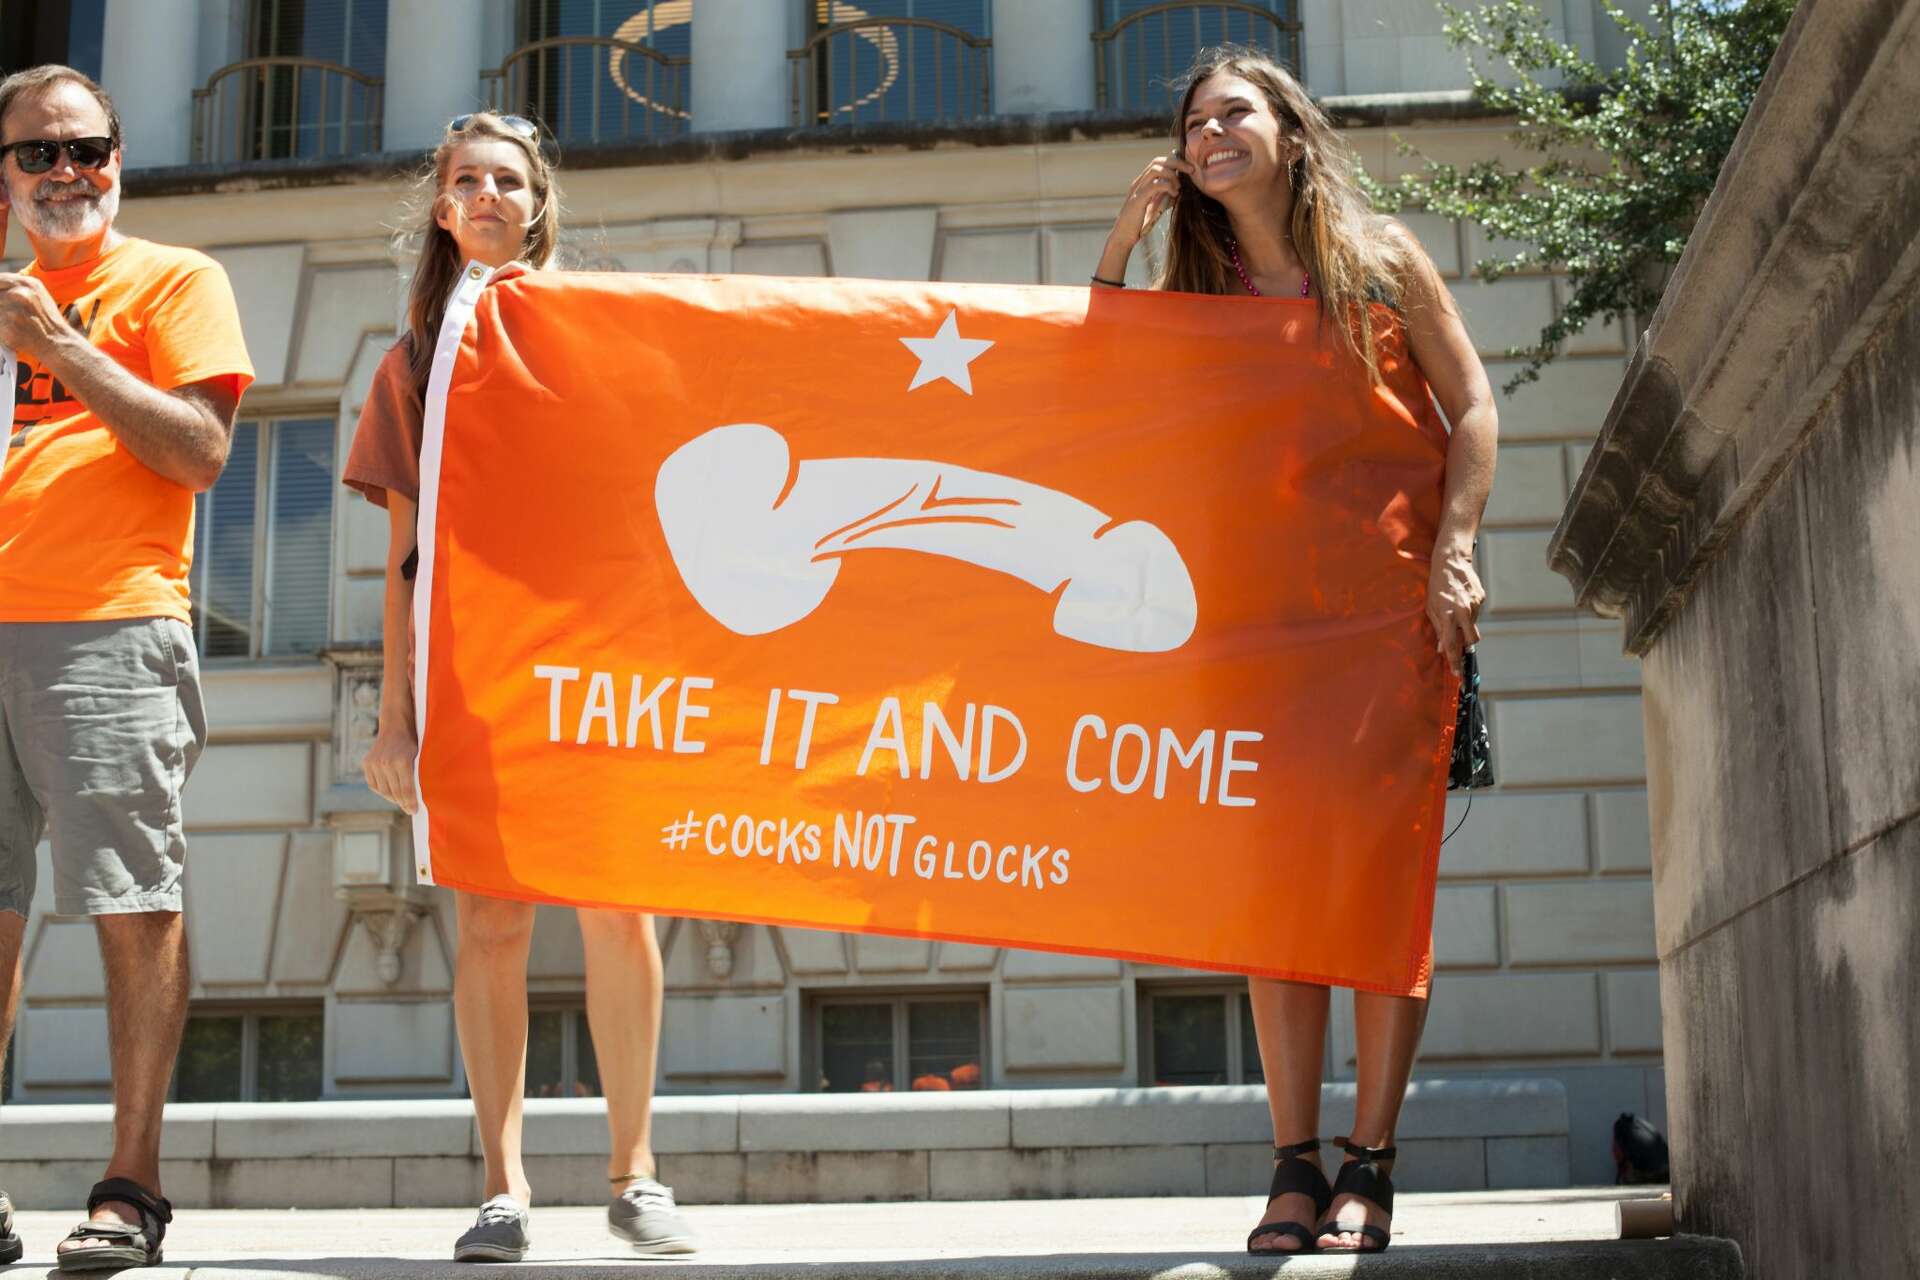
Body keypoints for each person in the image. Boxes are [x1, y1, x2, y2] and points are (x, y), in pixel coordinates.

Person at [1095, 48, 1496, 1255]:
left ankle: (1371, 1162)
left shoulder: (1382, 261)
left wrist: (1456, 549)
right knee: (1275, 897)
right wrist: (1120, 242)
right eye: (1193, 121)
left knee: (1375, 886)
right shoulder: (1193, 290)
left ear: (1290, 131)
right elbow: (1096, 378)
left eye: (1235, 112)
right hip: (1249, 628)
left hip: (1385, 614)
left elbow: (1474, 406)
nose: (1210, 132)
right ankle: (1292, 1164)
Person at [342, 112, 695, 1263]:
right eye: (467, 179)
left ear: (539, 205)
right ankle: (502, 1188)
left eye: (509, 178)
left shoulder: (594, 335)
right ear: (443, 210)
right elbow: (405, 561)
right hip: (474, 679)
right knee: (492, 920)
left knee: (620, 908)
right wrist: (395, 719)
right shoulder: (411, 365)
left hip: (596, 668)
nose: (489, 193)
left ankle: (636, 1173)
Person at [0, 65, 254, 1271]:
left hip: (108, 623)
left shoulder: (175, 280)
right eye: (38, 153)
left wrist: (65, 347)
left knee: (131, 901)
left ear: (118, 159)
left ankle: (132, 1183)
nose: (67, 171)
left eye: (87, 148)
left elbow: (201, 450)